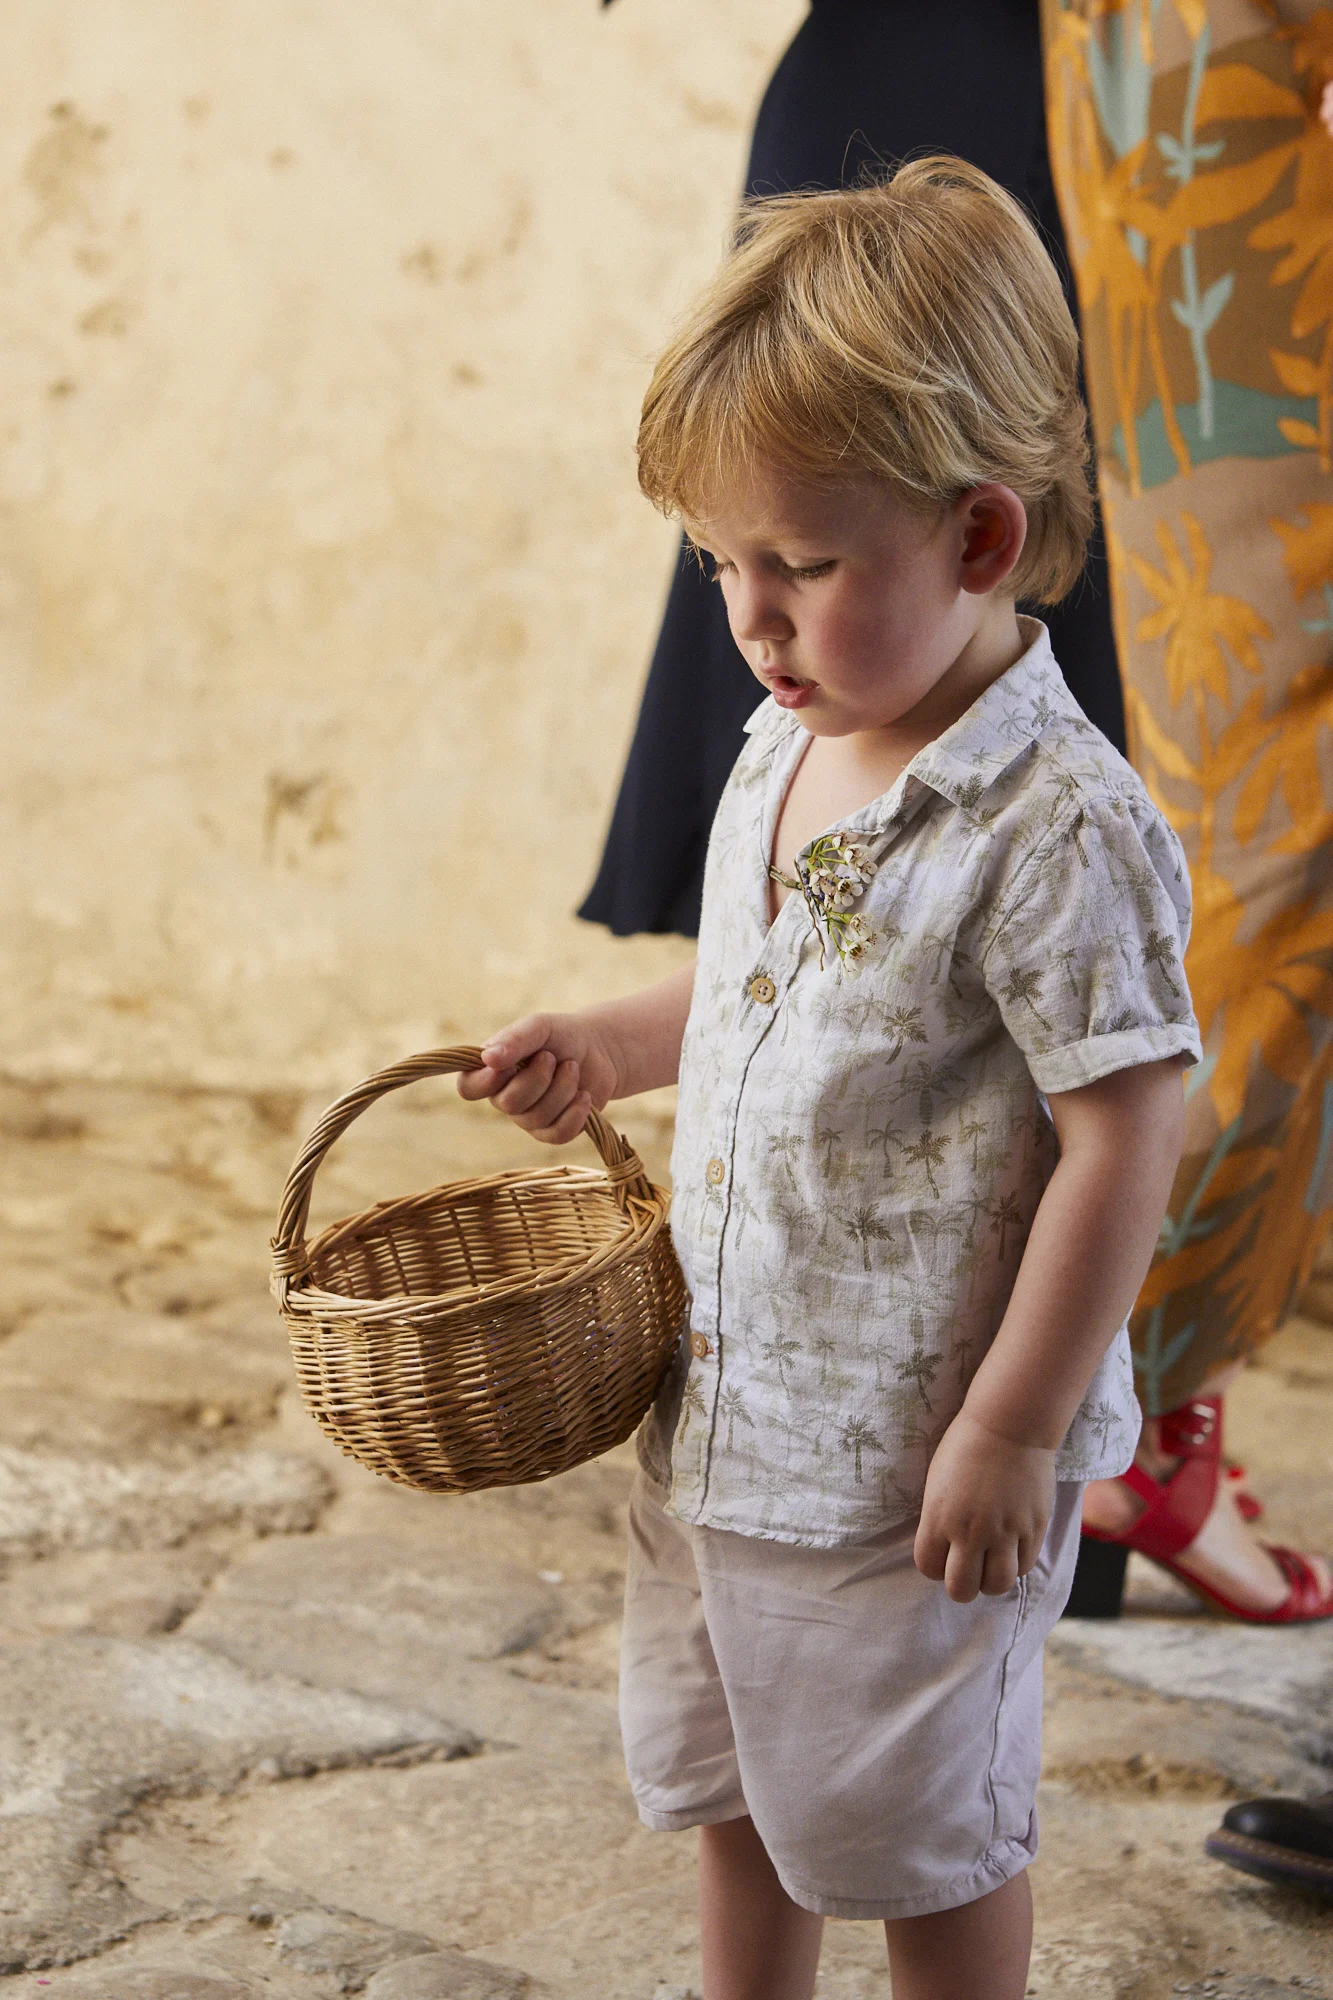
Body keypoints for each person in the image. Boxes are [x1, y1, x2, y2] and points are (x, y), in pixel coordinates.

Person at [462, 159, 1200, 2000]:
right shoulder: (791, 744)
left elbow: (1129, 1126)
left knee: (917, 1819)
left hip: (908, 1462)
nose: (751, 618)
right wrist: (613, 1046)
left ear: (976, 538)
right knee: (746, 1789)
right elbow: (771, 984)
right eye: (721, 563)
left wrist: (1016, 1429)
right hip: (731, 1424)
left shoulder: (1060, 827)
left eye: (802, 564)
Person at [1041, 0, 1333, 1621]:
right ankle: (1104, 1405)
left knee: (1252, 821)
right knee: (1278, 826)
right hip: (1232, 103)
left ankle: (1122, 1407)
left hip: (1185, 99)